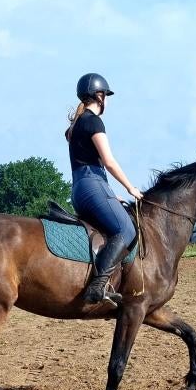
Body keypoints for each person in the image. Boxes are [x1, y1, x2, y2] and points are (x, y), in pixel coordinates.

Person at [65, 73, 143, 307]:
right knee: (127, 230)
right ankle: (98, 284)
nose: (107, 101)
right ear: (99, 96)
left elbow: (89, 164)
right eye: (106, 96)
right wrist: (131, 189)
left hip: (81, 189)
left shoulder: (76, 125)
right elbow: (107, 162)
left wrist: (110, 194)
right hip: (92, 186)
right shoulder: (94, 122)